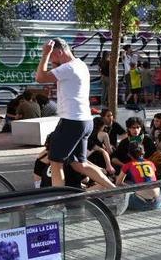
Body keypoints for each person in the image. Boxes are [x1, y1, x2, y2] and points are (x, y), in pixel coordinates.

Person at [32, 39, 116, 190]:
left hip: (71, 121)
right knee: (79, 164)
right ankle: (115, 189)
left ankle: (59, 203)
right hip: (84, 121)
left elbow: (40, 78)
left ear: (59, 52)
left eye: (52, 56)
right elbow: (52, 73)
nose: (51, 60)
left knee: (56, 162)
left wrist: (45, 55)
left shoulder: (68, 68)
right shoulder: (79, 65)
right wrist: (53, 60)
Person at [114, 143, 161, 211]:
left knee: (121, 191)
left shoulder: (128, 165)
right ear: (143, 152)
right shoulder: (151, 163)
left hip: (140, 203)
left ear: (129, 154)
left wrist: (130, 186)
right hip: (157, 203)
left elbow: (118, 183)